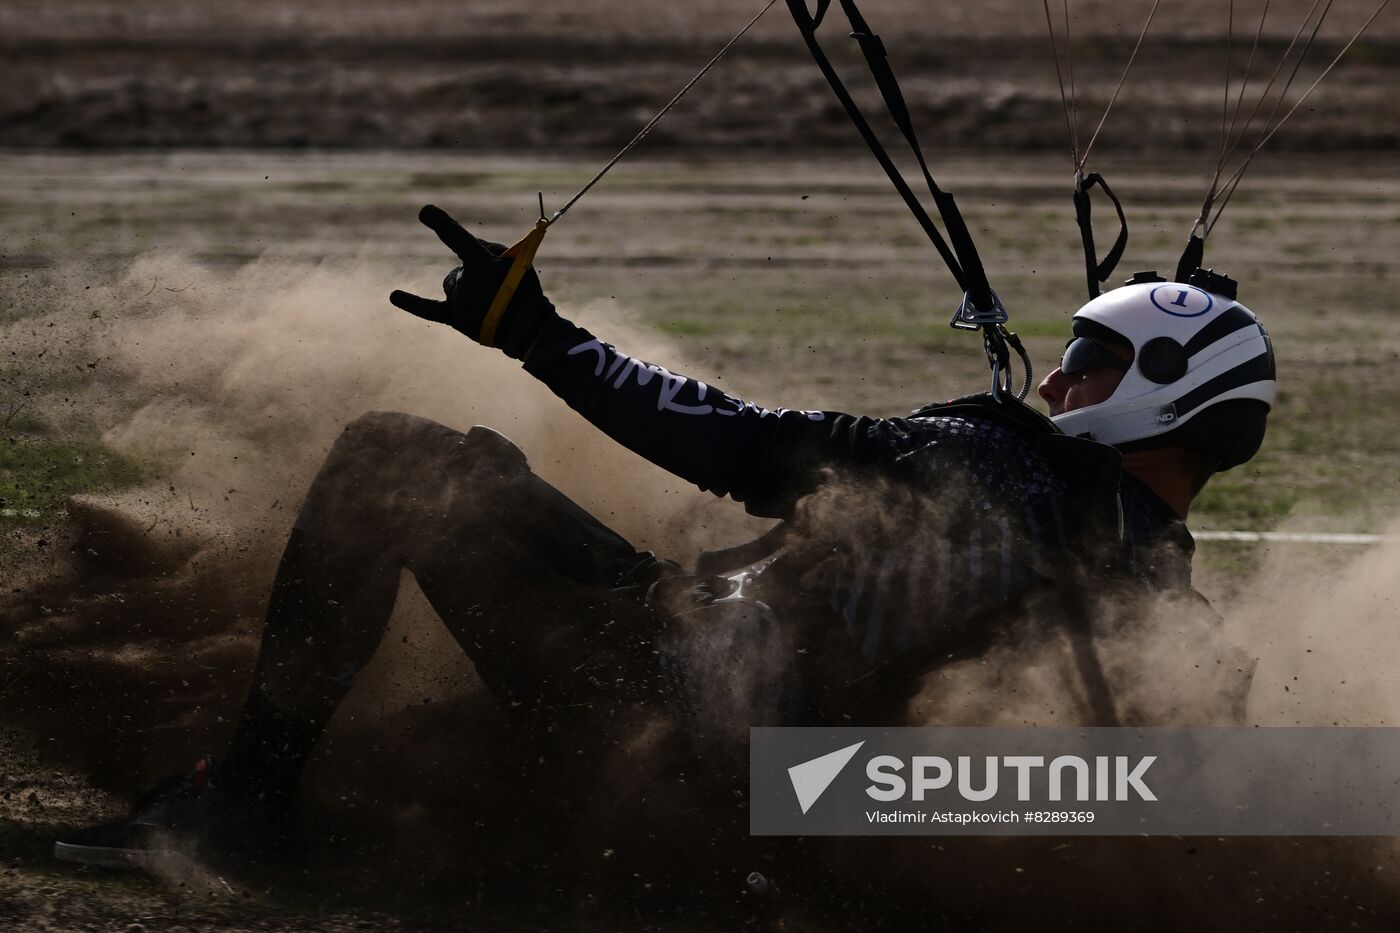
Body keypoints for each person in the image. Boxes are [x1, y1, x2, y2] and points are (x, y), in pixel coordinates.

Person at [53, 205, 1276, 870]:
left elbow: (738, 444)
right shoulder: (1163, 600)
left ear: (1163, 390)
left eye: (1090, 363)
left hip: (657, 716)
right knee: (552, 511)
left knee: (396, 457)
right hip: (760, 777)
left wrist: (538, 332)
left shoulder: (984, 463)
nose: (1058, 383)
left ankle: (247, 803)